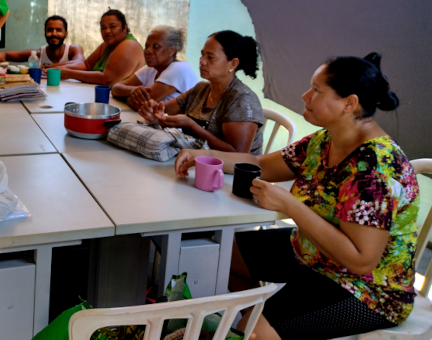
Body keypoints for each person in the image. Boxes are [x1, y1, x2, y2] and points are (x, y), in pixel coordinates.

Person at [174, 53, 419, 340]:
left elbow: (361, 260)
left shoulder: (374, 168)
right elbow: (262, 166)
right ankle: (257, 320)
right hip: (313, 254)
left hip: (365, 289)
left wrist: (290, 205)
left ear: (349, 103)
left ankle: (256, 329)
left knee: (253, 333)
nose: (305, 96)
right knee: (219, 253)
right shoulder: (326, 140)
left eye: (316, 90)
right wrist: (201, 155)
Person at [138, 30, 263, 154]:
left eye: (210, 57)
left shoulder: (242, 100)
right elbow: (164, 111)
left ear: (233, 64)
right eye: (202, 55)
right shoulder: (201, 89)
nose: (202, 61)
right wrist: (153, 113)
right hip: (193, 161)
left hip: (227, 172)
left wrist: (192, 126)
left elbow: (238, 156)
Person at [111, 25, 198, 110]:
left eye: (156, 46)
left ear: (172, 50)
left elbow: (139, 104)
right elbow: (115, 88)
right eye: (147, 46)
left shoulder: (179, 69)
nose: (148, 51)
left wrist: (125, 95)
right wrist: (132, 90)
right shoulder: (152, 68)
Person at [55, 9, 145, 86]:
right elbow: (87, 65)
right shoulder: (107, 45)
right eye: (103, 28)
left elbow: (108, 80)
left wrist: (69, 73)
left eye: (112, 27)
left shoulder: (129, 45)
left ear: (125, 28)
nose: (107, 31)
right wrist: (52, 68)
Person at [0, 15, 84, 67]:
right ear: (45, 33)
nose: (54, 34)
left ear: (66, 34)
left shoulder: (74, 50)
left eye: (58, 30)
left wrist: (48, 67)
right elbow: (3, 54)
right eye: (50, 30)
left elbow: (80, 63)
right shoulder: (38, 54)